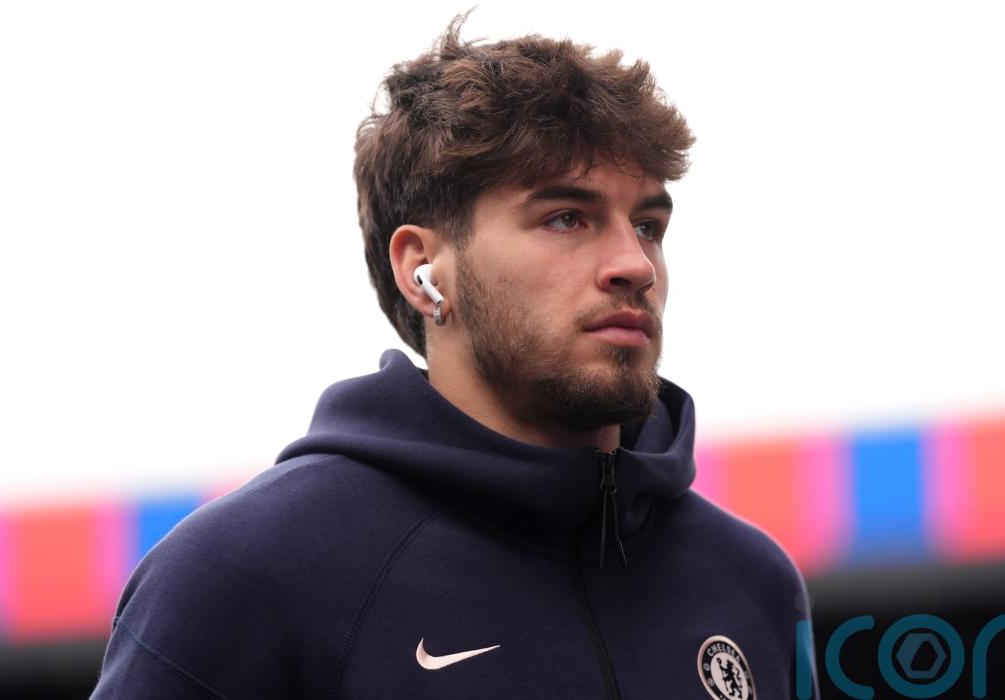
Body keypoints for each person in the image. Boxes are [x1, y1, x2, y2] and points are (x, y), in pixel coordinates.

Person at [92, 15, 818, 699]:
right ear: (423, 271)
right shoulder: (245, 572)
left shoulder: (752, 581)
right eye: (567, 218)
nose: (634, 264)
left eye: (648, 226)